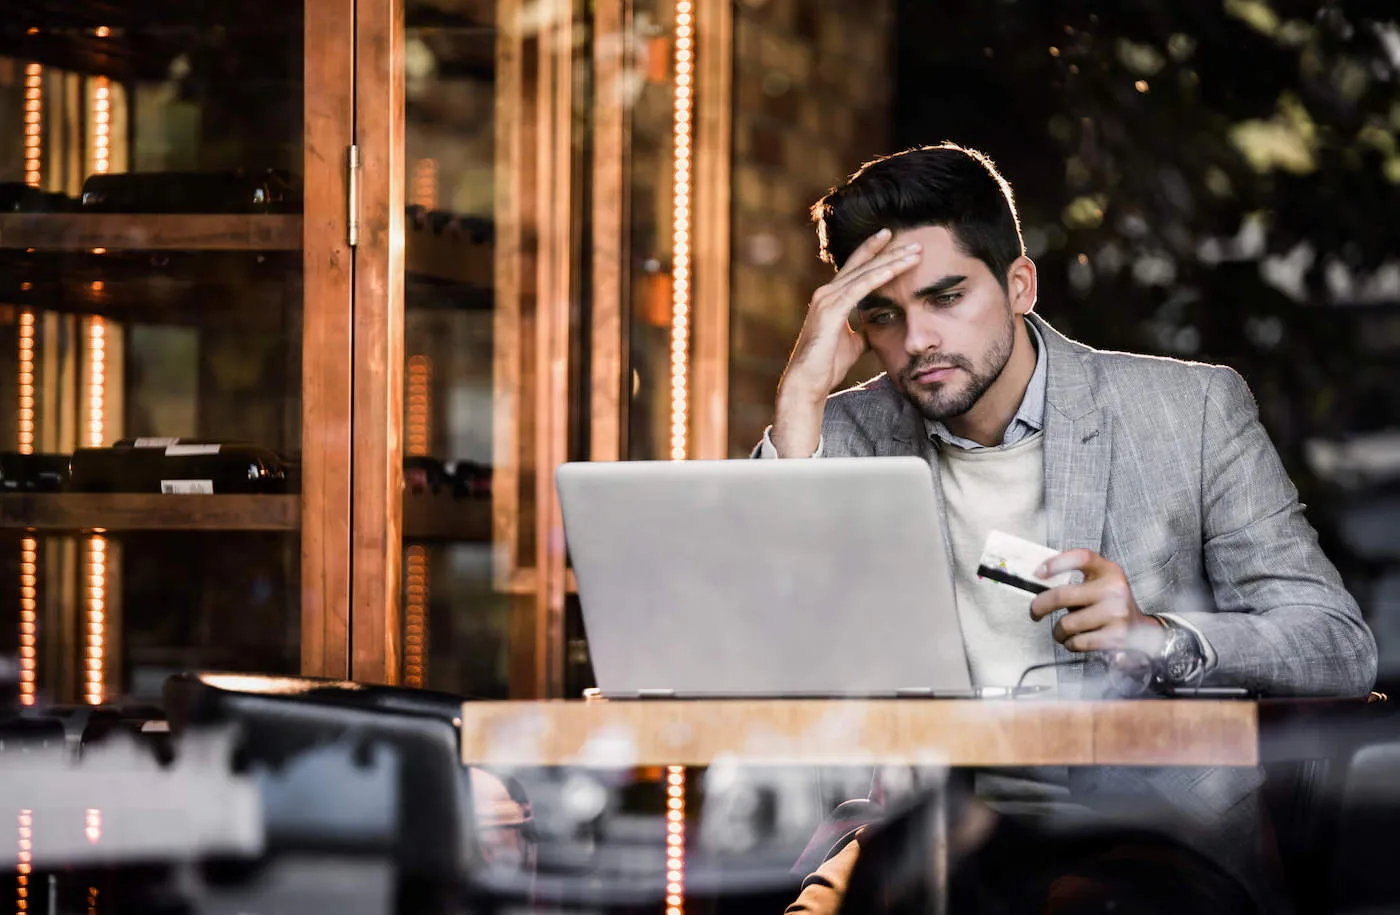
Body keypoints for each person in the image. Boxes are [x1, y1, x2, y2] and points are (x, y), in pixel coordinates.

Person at [758, 143, 1378, 913]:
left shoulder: (1190, 413)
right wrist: (800, 394)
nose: (916, 340)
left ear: (1019, 284)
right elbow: (763, 642)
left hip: (1144, 829)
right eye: (883, 314)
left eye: (946, 296)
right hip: (922, 836)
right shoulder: (837, 434)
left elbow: (1336, 642)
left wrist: (1156, 635)